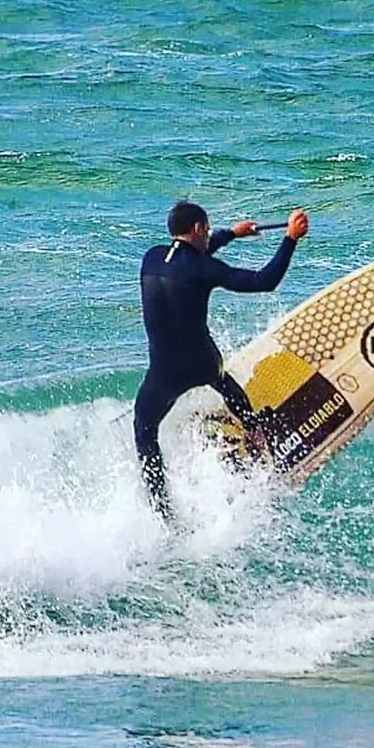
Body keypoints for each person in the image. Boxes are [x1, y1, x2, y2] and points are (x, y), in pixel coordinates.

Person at [134, 200, 309, 518]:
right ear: (198, 228)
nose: (209, 234)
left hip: (162, 374)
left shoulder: (151, 258)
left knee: (144, 431)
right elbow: (264, 281)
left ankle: (162, 510)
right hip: (203, 363)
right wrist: (290, 238)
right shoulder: (205, 269)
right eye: (208, 229)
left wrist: (232, 234)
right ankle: (257, 432)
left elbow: (188, 261)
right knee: (223, 382)